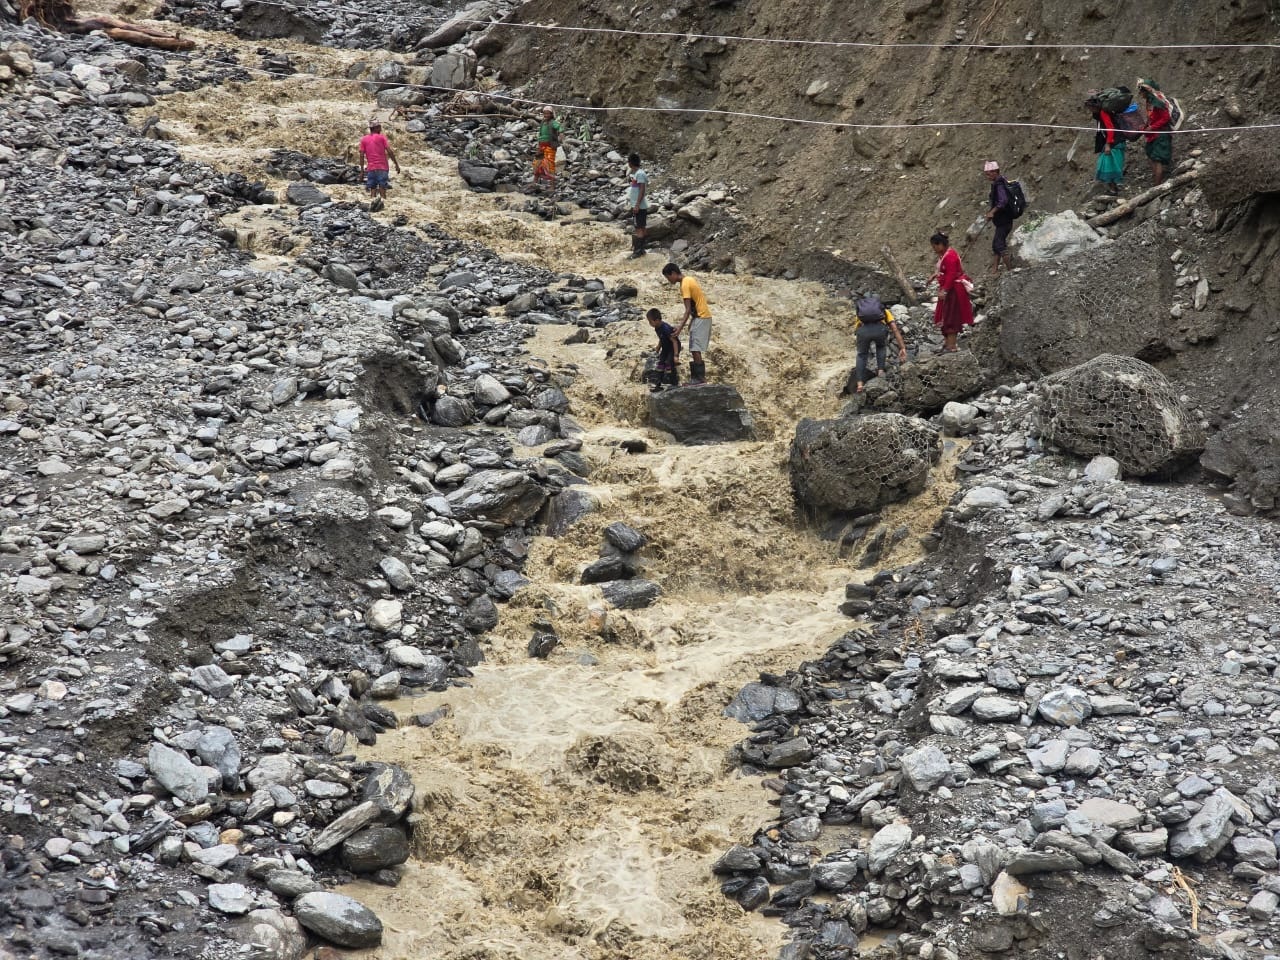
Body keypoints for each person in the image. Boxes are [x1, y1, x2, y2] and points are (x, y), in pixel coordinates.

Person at [661, 263, 711, 384]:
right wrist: (692, 321)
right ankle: (697, 378)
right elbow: (697, 303)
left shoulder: (684, 285)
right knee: (695, 347)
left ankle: (699, 379)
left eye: (668, 277)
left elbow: (688, 309)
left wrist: (679, 329)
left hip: (701, 317)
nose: (668, 280)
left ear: (673, 273)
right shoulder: (689, 279)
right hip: (700, 317)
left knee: (695, 348)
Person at [852, 295, 908, 394]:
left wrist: (861, 338)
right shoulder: (884, 312)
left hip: (863, 332)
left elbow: (857, 327)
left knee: (861, 355)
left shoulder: (861, 312)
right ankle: (880, 372)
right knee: (881, 347)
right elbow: (894, 329)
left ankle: (860, 384)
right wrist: (902, 347)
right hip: (880, 330)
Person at [929, 232, 974, 353]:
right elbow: (945, 270)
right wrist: (934, 275)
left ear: (940, 245)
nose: (934, 249)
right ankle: (947, 343)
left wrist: (945, 290)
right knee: (945, 315)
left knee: (951, 317)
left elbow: (951, 274)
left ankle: (952, 346)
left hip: (953, 291)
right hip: (949, 289)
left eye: (934, 246)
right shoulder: (946, 254)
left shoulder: (950, 256)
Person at [359, 120, 400, 212]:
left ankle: (372, 209)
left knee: (372, 189)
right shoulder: (382, 138)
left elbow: (361, 155)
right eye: (379, 127)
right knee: (382, 188)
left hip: (371, 168)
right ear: (376, 128)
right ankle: (383, 209)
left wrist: (362, 171)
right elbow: (389, 151)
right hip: (382, 167)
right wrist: (396, 164)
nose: (381, 128)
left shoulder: (364, 139)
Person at [1138, 81, 1173, 186]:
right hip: (1153, 134)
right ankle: (1157, 183)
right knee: (1150, 156)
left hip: (1160, 134)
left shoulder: (1157, 102)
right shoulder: (1149, 102)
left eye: (1141, 92)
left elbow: (1166, 117)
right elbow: (1152, 117)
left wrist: (1152, 127)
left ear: (1146, 92)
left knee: (1157, 159)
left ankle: (1157, 186)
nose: (1140, 94)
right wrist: (1145, 127)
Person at [982, 160, 1014, 275]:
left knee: (999, 244)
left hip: (1004, 221)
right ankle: (994, 271)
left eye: (989, 173)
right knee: (996, 244)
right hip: (1002, 220)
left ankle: (1011, 270)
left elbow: (1003, 201)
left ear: (995, 172)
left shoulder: (999, 184)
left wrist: (992, 212)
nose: (987, 176)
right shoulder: (999, 182)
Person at [1088, 96, 1125, 195]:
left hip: (1115, 142)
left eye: (1091, 107)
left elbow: (1110, 128)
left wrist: (1108, 144)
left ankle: (1114, 189)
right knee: (1107, 164)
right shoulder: (1100, 114)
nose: (1090, 109)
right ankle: (1113, 188)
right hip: (1113, 141)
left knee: (1109, 165)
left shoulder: (1104, 113)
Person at [646, 308, 679, 390]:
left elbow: (674, 341)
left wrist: (676, 355)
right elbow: (661, 338)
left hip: (672, 348)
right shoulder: (657, 327)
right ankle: (658, 385)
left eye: (650, 321)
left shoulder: (665, 328)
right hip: (665, 347)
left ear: (656, 320)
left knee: (669, 363)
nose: (649, 323)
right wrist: (658, 347)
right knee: (660, 364)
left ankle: (674, 383)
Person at [533, 106, 562, 194]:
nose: (546, 115)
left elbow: (560, 127)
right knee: (537, 163)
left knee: (550, 164)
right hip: (541, 146)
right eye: (544, 113)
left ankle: (552, 186)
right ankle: (535, 182)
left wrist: (561, 133)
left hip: (550, 146)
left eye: (548, 113)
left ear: (551, 114)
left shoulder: (553, 123)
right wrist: (539, 145)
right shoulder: (542, 123)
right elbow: (541, 134)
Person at [627, 153, 650, 258]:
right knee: (642, 226)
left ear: (631, 163)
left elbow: (642, 189)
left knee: (639, 228)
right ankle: (642, 249)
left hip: (639, 206)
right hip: (639, 205)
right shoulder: (637, 173)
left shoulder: (640, 174)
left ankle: (638, 251)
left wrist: (636, 205)